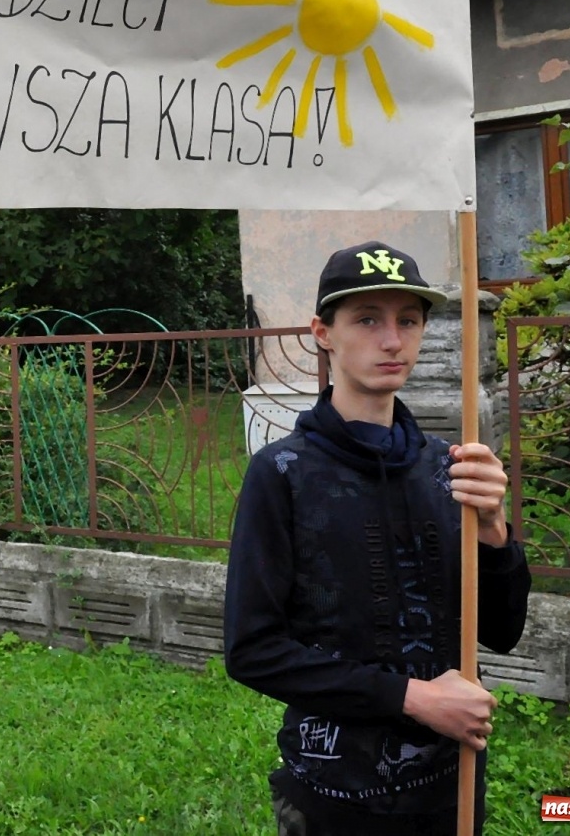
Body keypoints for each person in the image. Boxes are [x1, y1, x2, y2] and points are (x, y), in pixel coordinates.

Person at [223, 241, 531, 836]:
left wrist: (495, 532)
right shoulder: (282, 474)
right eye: (367, 319)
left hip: (453, 785)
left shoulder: (451, 467)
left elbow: (502, 630)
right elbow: (253, 650)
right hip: (335, 795)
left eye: (408, 320)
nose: (392, 341)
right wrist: (412, 698)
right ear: (323, 332)